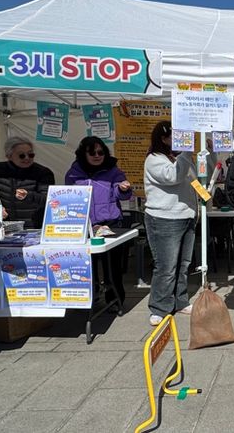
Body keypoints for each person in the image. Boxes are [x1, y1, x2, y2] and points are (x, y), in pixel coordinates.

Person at [65, 136, 132, 307]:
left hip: (110, 223)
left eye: (100, 152)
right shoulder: (73, 173)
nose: (97, 155)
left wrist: (124, 189)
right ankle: (90, 297)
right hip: (84, 225)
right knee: (86, 264)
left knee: (112, 266)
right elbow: (68, 197)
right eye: (92, 152)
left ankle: (114, 300)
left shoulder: (113, 170)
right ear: (83, 154)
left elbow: (122, 194)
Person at [143, 121, 197, 326]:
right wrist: (186, 153)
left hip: (186, 216)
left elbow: (196, 178)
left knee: (183, 264)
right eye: (173, 136)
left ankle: (180, 301)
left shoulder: (179, 157)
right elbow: (172, 176)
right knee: (166, 266)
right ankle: (159, 307)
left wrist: (206, 155)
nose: (178, 140)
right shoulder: (154, 159)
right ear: (163, 138)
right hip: (164, 219)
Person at [0, 136, 55, 228]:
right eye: (22, 155)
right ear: (9, 156)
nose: (27, 158)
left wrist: (29, 196)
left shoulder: (43, 173)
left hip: (35, 227)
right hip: (5, 226)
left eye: (31, 155)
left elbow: (49, 200)